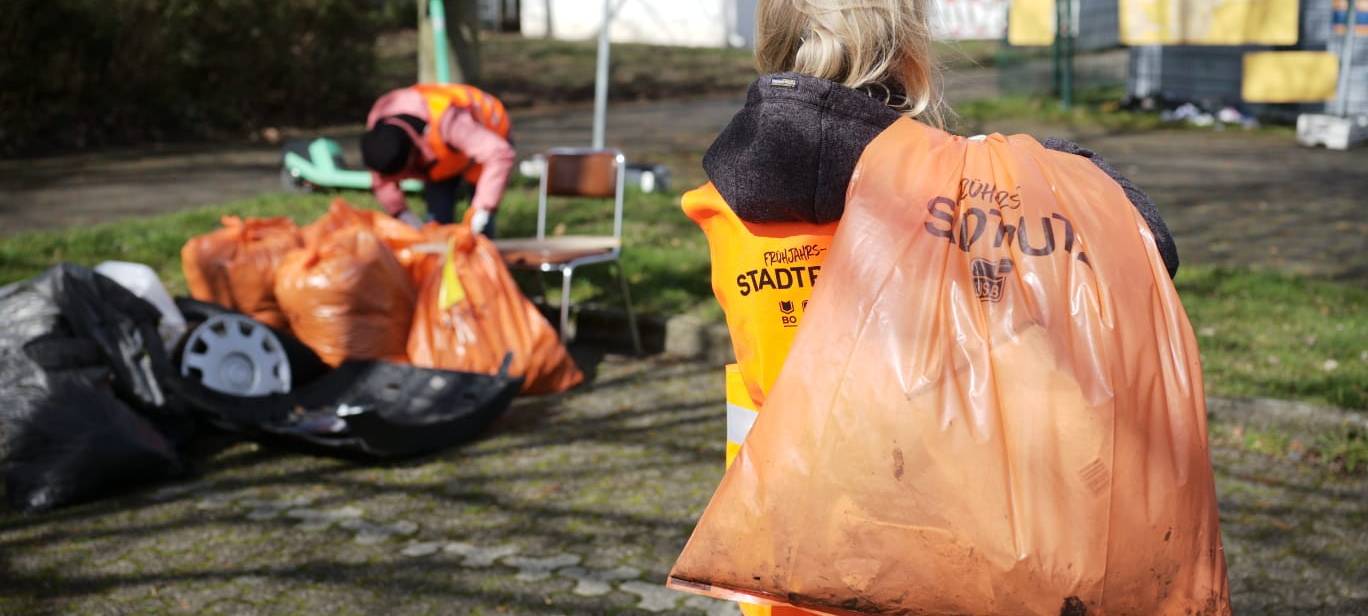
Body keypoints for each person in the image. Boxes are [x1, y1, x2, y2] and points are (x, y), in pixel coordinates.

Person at [361, 84, 515, 235]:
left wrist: (484, 208)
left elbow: (498, 154)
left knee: (479, 227)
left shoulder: (448, 122)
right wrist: (400, 212)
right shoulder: (380, 134)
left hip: (488, 134)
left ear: (413, 155)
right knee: (438, 225)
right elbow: (382, 179)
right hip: (442, 158)